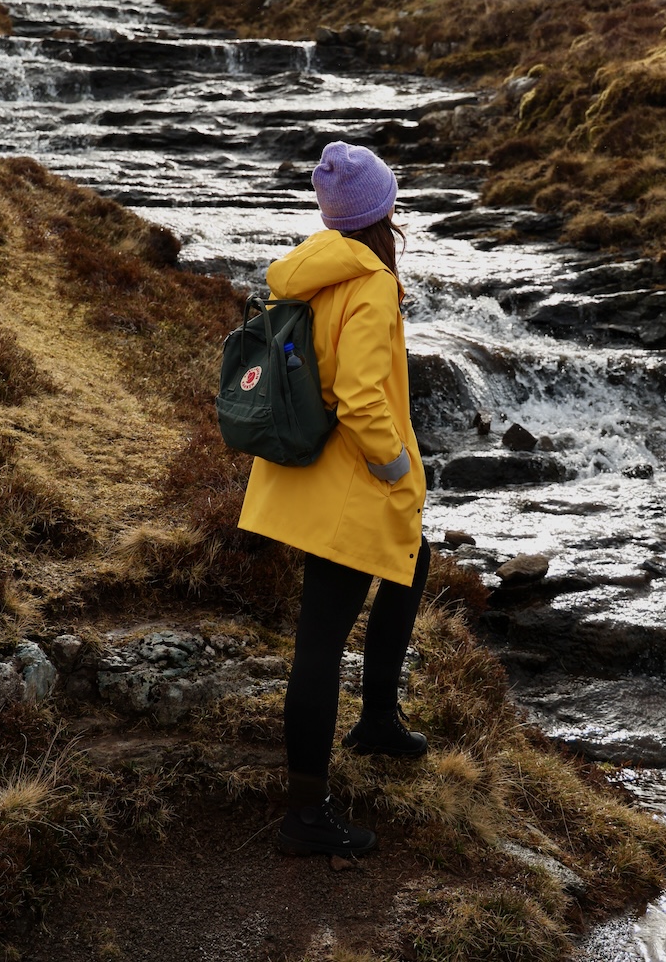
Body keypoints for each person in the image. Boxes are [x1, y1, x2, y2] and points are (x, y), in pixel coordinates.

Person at [238, 141, 430, 858]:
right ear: (384, 213)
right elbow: (358, 396)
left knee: (416, 562)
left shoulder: (310, 269)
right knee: (319, 640)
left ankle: (378, 718)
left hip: (306, 471)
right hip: (350, 481)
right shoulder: (372, 283)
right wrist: (392, 464)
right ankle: (306, 816)